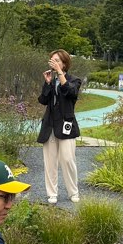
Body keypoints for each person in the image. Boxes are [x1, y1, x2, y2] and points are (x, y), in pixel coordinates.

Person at [37, 49, 81, 204]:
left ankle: (73, 192)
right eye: (51, 60)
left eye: (56, 60)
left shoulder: (74, 80)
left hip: (66, 125)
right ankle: (52, 193)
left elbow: (70, 92)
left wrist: (60, 74)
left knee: (68, 160)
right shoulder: (51, 79)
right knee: (50, 162)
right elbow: (43, 100)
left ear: (64, 63)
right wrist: (48, 83)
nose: (53, 62)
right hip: (49, 125)